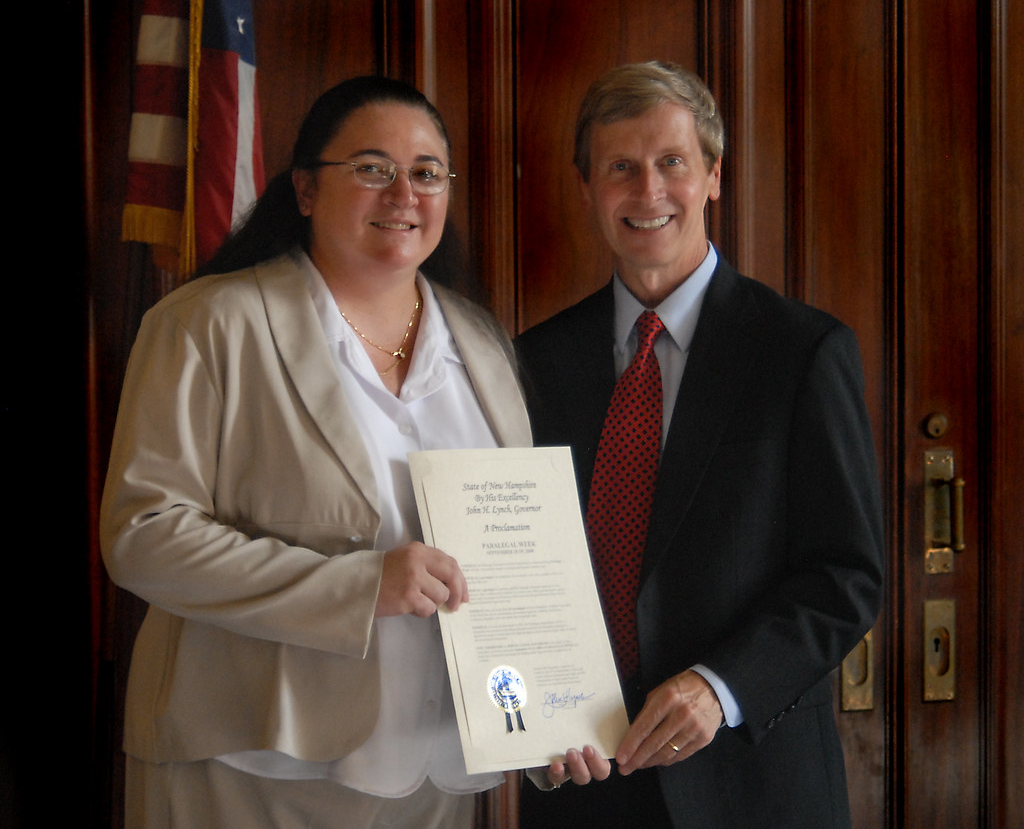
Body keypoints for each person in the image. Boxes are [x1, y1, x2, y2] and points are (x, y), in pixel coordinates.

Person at [100, 76, 531, 829]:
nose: (404, 193)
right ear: (305, 188)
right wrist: (360, 587)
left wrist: (544, 708)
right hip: (252, 763)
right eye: (371, 168)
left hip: (439, 769)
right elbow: (144, 537)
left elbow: (518, 555)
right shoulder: (208, 323)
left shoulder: (482, 345)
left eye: (427, 172)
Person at [515, 61, 885, 828]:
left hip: (752, 787)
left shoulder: (801, 352)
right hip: (584, 783)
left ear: (713, 176)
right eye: (620, 168)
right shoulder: (535, 363)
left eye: (672, 162)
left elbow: (846, 575)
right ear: (586, 188)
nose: (648, 191)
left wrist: (720, 687)